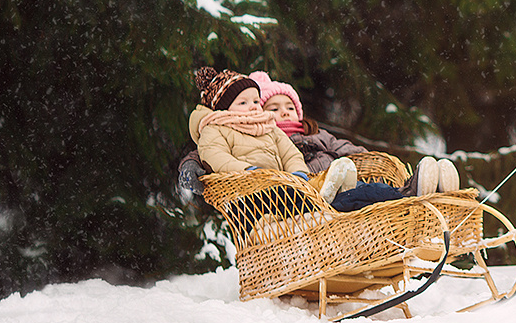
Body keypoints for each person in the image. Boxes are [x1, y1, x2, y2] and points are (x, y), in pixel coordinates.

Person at [186, 67, 452, 214]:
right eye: (244, 103)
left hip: (298, 184)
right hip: (265, 194)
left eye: (255, 101)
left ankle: (417, 190)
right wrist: (248, 172)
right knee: (349, 197)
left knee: (354, 190)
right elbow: (212, 156)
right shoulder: (216, 129)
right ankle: (404, 196)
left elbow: (291, 153)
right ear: (223, 109)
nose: (253, 107)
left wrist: (298, 174)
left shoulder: (273, 129)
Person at [248, 70, 458, 199]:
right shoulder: (269, 143)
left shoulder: (316, 134)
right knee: (366, 194)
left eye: (289, 107)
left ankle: (430, 190)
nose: (284, 112)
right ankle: (411, 194)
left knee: (370, 189)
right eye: (274, 109)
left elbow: (345, 148)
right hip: (320, 196)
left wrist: (366, 157)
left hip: (345, 181)